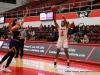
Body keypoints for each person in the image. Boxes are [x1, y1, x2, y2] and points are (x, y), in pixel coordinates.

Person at [0, 7, 28, 72]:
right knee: (12, 55)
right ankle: (6, 67)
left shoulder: (20, 25)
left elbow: (24, 18)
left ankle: (0, 63)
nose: (19, 21)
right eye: (18, 20)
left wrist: (26, 13)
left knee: (9, 54)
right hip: (13, 42)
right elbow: (10, 30)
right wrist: (10, 26)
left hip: (16, 42)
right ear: (15, 22)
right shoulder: (15, 27)